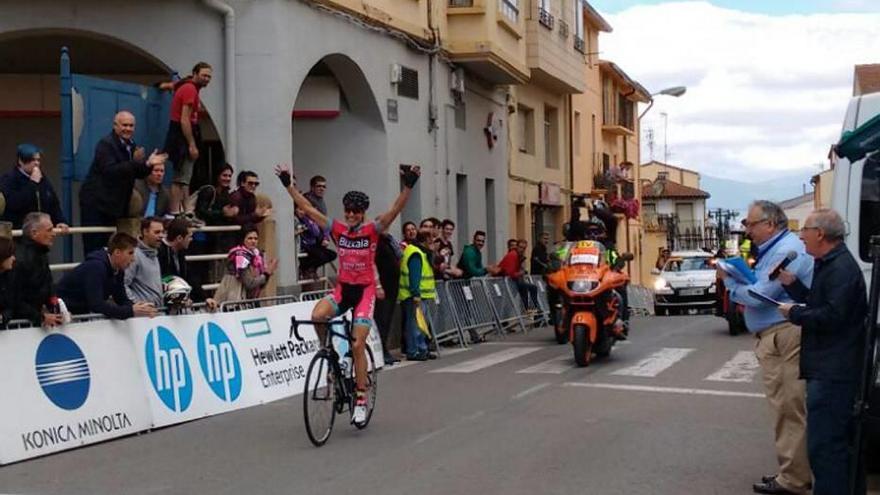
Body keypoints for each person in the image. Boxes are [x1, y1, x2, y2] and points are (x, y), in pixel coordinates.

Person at [275, 163, 420, 425]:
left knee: (356, 345)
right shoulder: (337, 228)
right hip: (343, 289)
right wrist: (287, 184)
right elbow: (307, 209)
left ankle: (361, 398)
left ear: (363, 213)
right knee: (317, 315)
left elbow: (396, 210)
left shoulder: (372, 230)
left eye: (356, 212)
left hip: (364, 292)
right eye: (348, 211)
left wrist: (408, 185)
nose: (351, 215)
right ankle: (328, 354)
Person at [718, 200, 813, 495]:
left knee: (788, 407)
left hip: (784, 334)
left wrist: (731, 284)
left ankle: (795, 480)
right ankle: (793, 472)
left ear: (770, 224)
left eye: (751, 224)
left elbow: (760, 295)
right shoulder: (773, 250)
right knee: (784, 407)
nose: (748, 230)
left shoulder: (785, 251)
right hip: (777, 335)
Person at [778, 209, 867, 495]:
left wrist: (795, 315)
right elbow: (820, 303)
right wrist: (795, 290)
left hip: (834, 370)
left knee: (826, 447)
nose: (801, 236)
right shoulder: (827, 263)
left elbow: (832, 316)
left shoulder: (840, 267)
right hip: (827, 366)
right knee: (828, 445)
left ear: (820, 233)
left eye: (805, 229)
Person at [80, 111, 167, 254]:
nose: (128, 129)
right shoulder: (106, 144)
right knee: (95, 248)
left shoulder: (131, 144)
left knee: (110, 248)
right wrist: (136, 163)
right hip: (97, 205)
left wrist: (148, 164)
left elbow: (137, 172)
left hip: (114, 207)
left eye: (131, 125)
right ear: (115, 126)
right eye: (124, 125)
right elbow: (110, 171)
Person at [56, 232, 158, 320]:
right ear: (117, 252)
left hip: (78, 312)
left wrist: (139, 308)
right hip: (62, 310)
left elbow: (121, 298)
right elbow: (97, 304)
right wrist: (130, 311)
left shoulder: (118, 270)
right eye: (130, 253)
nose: (133, 259)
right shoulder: (96, 267)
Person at [164, 62, 212, 215]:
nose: (207, 79)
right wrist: (192, 144)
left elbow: (172, 86)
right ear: (195, 73)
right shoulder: (190, 89)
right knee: (180, 178)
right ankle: (175, 211)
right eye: (204, 75)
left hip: (180, 134)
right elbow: (185, 119)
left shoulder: (184, 85)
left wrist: (164, 85)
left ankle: (185, 210)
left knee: (185, 177)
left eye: (209, 77)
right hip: (182, 136)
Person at [11, 212, 63, 327]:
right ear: (34, 233)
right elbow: (14, 298)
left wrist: (57, 310)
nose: (54, 234)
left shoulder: (42, 254)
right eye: (49, 230)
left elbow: (49, 286)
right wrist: (41, 317)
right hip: (18, 325)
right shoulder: (21, 259)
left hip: (33, 319)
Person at [0, 144, 68, 231]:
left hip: (41, 233)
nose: (37, 163)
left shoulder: (43, 179)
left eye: (38, 160)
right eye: (32, 160)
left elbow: (53, 202)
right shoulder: (9, 179)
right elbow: (14, 204)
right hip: (19, 233)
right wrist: (32, 184)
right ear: (21, 161)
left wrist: (60, 221)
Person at [159, 217, 218, 309]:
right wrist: (180, 299)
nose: (191, 239)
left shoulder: (180, 251)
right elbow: (165, 280)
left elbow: (190, 277)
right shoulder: (160, 253)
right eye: (190, 236)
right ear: (179, 238)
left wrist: (205, 298)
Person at [399, 228, 437, 361]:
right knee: (414, 324)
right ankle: (414, 350)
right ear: (426, 240)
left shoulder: (419, 252)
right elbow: (414, 276)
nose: (434, 243)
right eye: (432, 239)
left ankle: (422, 349)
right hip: (414, 296)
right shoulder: (416, 253)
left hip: (420, 296)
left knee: (420, 324)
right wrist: (416, 294)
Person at [214, 225, 278, 302]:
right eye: (250, 238)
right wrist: (267, 273)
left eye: (255, 238)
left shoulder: (258, 256)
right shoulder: (240, 256)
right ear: (243, 240)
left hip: (252, 300)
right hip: (237, 301)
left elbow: (260, 285)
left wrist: (267, 274)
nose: (253, 241)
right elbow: (249, 283)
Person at [124, 217, 165, 308]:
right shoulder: (134, 255)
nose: (161, 236)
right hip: (142, 316)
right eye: (157, 232)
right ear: (145, 232)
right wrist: (138, 305)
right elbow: (123, 284)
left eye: (162, 232)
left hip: (157, 313)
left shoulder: (155, 254)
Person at [375, 233, 402, 365]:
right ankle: (382, 351)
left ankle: (385, 349)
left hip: (392, 287)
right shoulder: (376, 242)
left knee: (387, 320)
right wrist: (378, 285)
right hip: (383, 288)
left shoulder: (390, 241)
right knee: (382, 320)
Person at [296, 204, 336, 280]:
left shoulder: (311, 219)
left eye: (303, 210)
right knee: (320, 255)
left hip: (315, 244)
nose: (302, 212)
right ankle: (306, 269)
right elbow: (314, 232)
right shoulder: (298, 220)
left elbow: (324, 228)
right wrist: (307, 221)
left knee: (332, 255)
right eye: (300, 210)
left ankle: (311, 269)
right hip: (305, 245)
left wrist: (326, 238)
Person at [0, 236, 16, 328]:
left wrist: (2, 317)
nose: (14, 258)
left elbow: (11, 306)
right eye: (10, 255)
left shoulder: (9, 277)